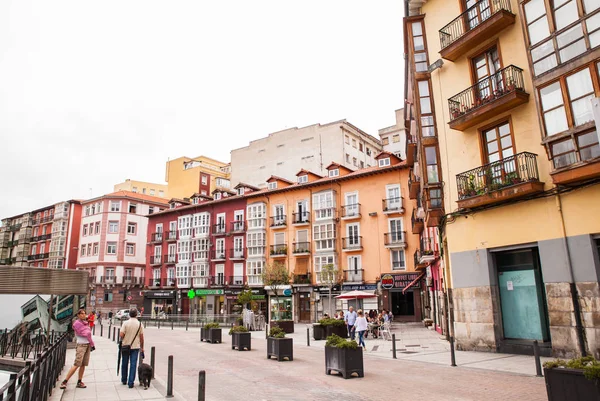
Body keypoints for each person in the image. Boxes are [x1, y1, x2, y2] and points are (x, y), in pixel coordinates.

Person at [60, 309, 95, 389]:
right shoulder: (77, 324)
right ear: (78, 315)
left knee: (83, 364)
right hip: (81, 345)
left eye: (84, 313)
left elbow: (88, 334)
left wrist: (92, 344)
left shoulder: (85, 323)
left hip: (87, 345)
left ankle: (79, 381)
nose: (83, 315)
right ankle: (65, 381)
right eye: (82, 314)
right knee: (77, 364)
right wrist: (87, 333)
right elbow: (84, 333)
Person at [119, 308, 145, 388]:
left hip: (125, 346)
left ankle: (124, 380)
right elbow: (141, 338)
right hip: (135, 347)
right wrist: (142, 347)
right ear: (136, 314)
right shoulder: (140, 324)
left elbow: (121, 335)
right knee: (133, 364)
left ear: (129, 314)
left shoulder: (125, 323)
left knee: (124, 363)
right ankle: (131, 382)